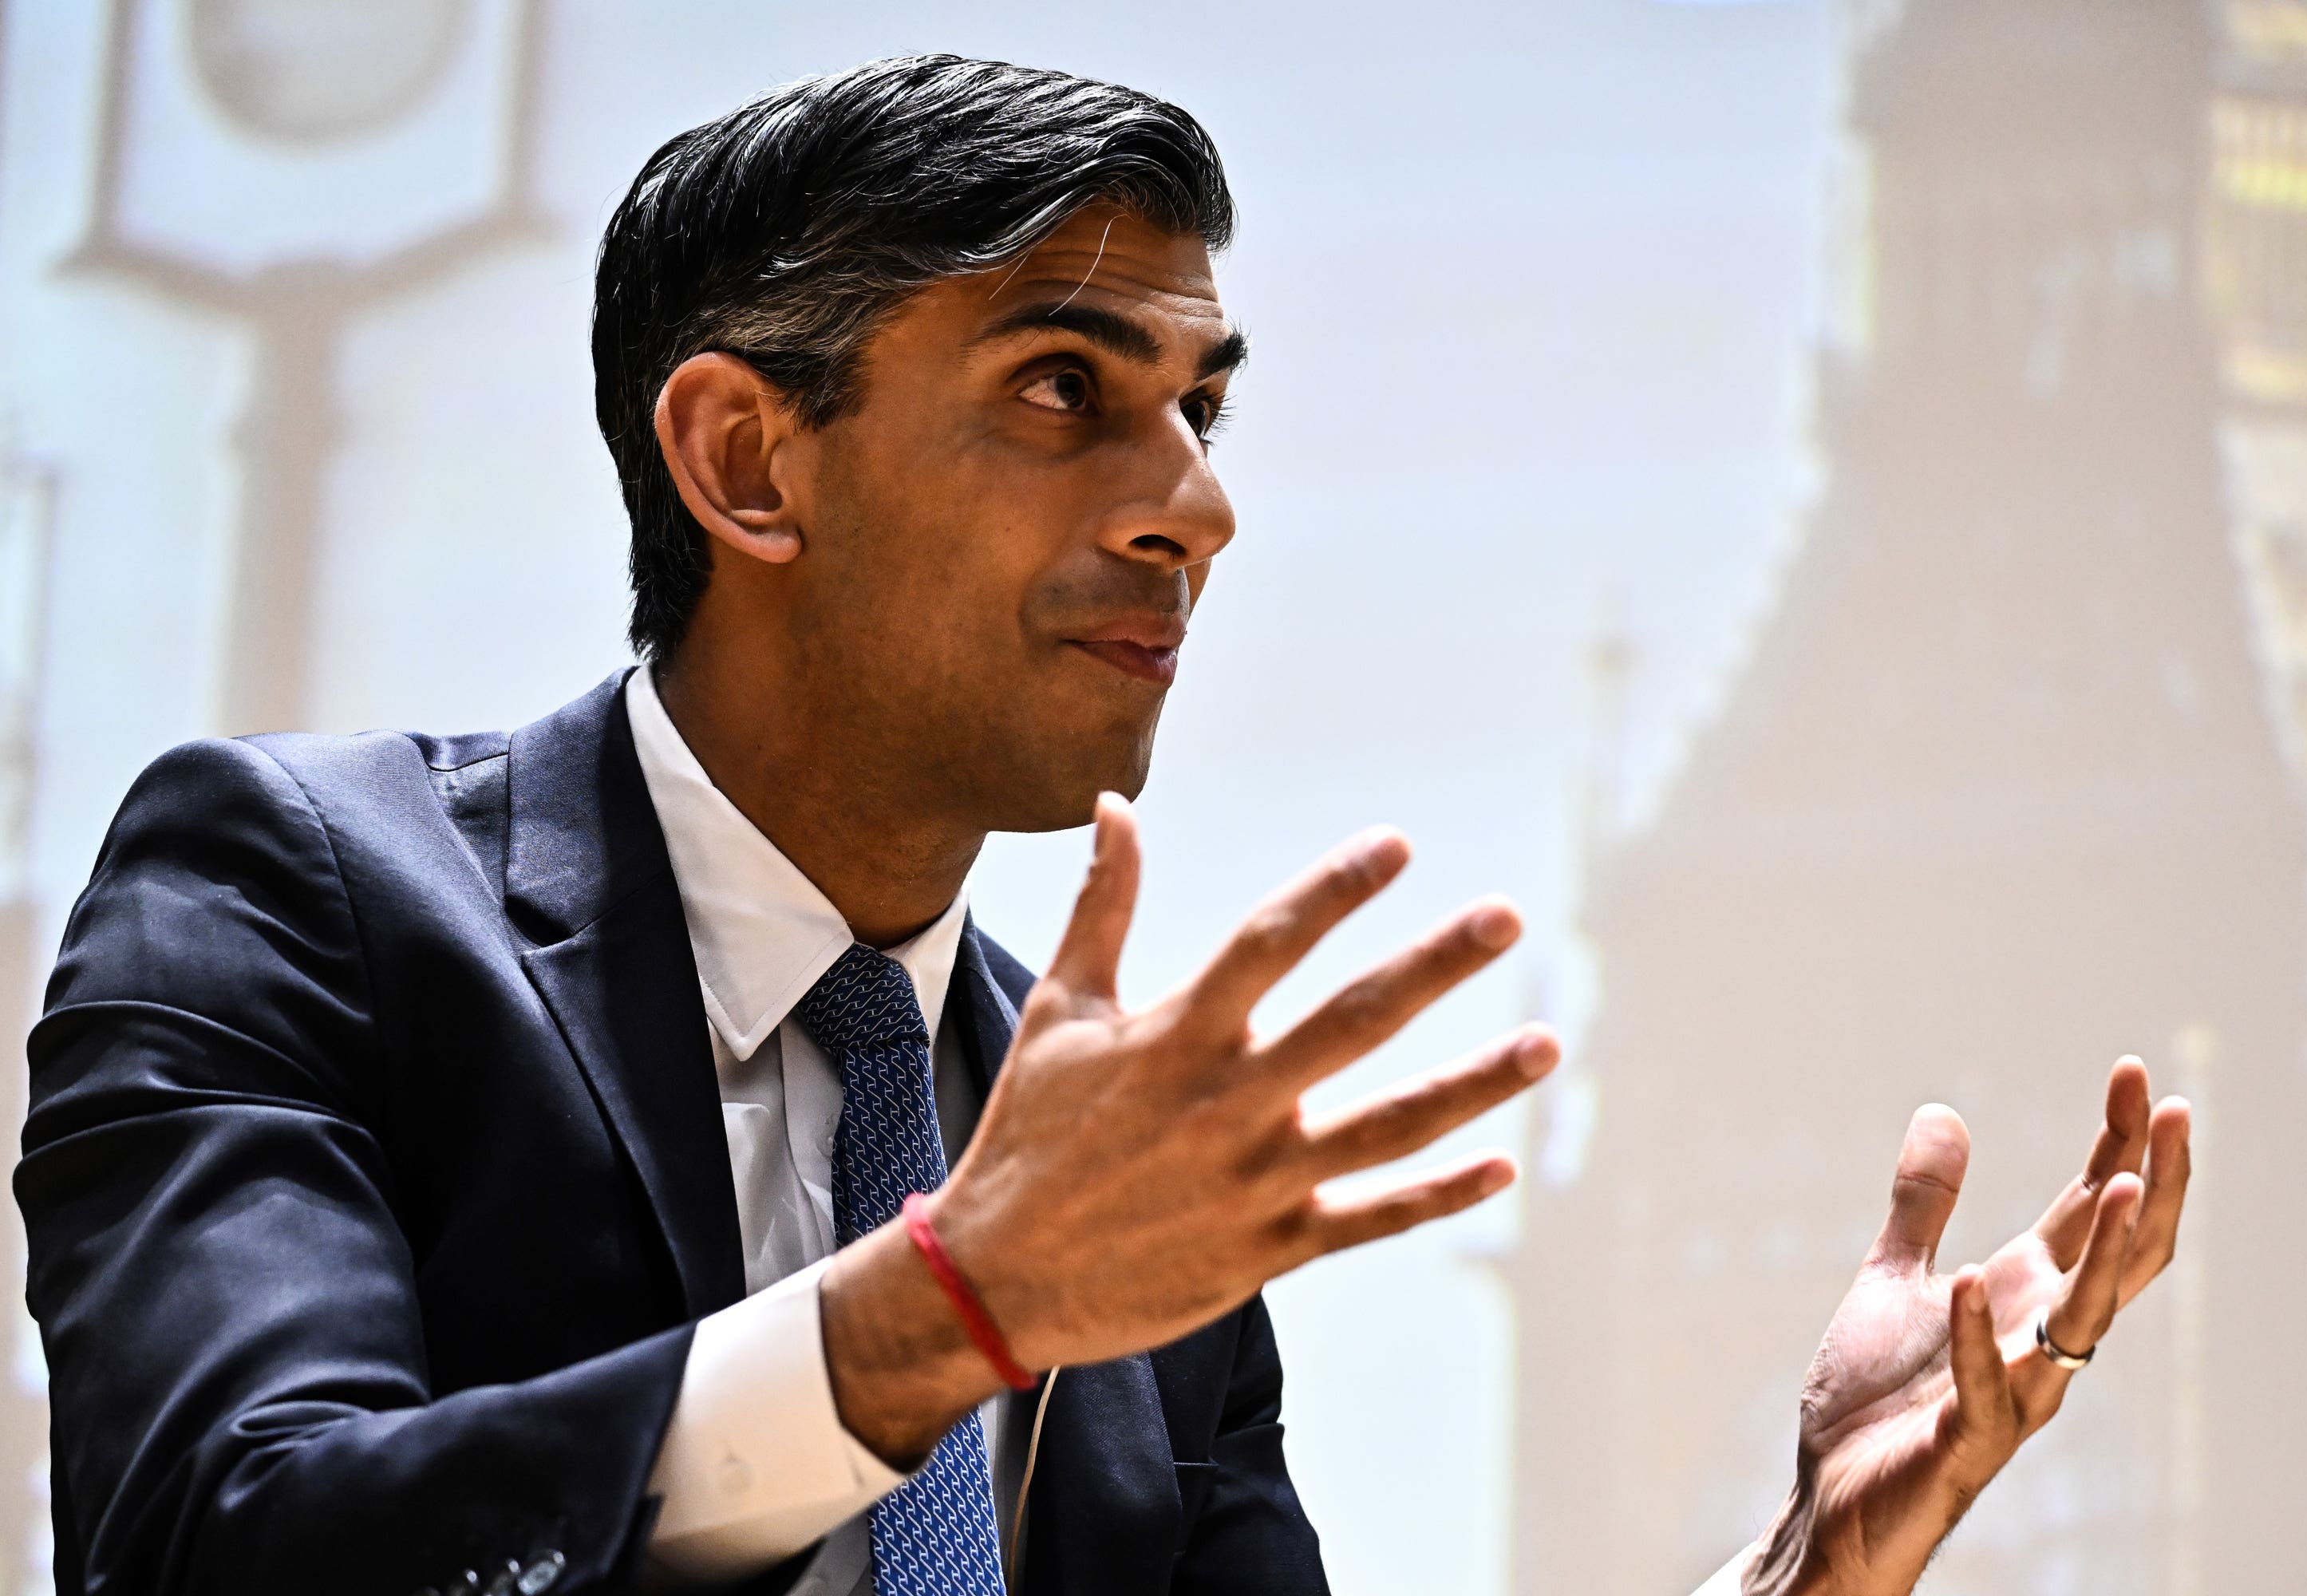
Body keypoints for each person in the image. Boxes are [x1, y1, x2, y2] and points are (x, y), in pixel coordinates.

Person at [17, 55, 2190, 1596]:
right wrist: (936, 1317)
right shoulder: (294, 895)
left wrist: (1799, 1571)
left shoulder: (1117, 1196)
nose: (1200, 509)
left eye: (1203, 410)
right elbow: (229, 1547)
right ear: (748, 465)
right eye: (1068, 390)